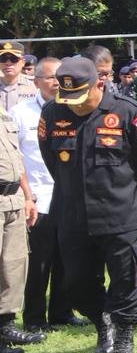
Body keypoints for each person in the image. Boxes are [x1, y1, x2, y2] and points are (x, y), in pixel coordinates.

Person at [39, 57, 137, 353]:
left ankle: (124, 337)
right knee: (76, 284)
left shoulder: (127, 111)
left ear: (100, 84)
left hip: (120, 212)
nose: (74, 104)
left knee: (126, 280)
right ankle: (101, 321)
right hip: (73, 215)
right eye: (68, 97)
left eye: (80, 96)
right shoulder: (52, 113)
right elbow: (52, 160)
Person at [15, 57, 84, 332]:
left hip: (68, 195)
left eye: (60, 77)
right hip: (38, 198)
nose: (57, 82)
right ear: (36, 82)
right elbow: (17, 158)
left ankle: (62, 312)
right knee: (39, 263)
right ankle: (34, 318)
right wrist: (26, 195)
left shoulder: (73, 109)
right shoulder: (21, 113)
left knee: (66, 257)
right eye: (50, 77)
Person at [0, 98, 39, 353]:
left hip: (13, 198)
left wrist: (27, 196)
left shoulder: (3, 112)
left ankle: (6, 326)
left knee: (13, 265)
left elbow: (17, 157)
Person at [0, 41, 38, 113]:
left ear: (23, 62)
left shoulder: (35, 86)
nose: (8, 63)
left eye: (14, 59)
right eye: (3, 59)